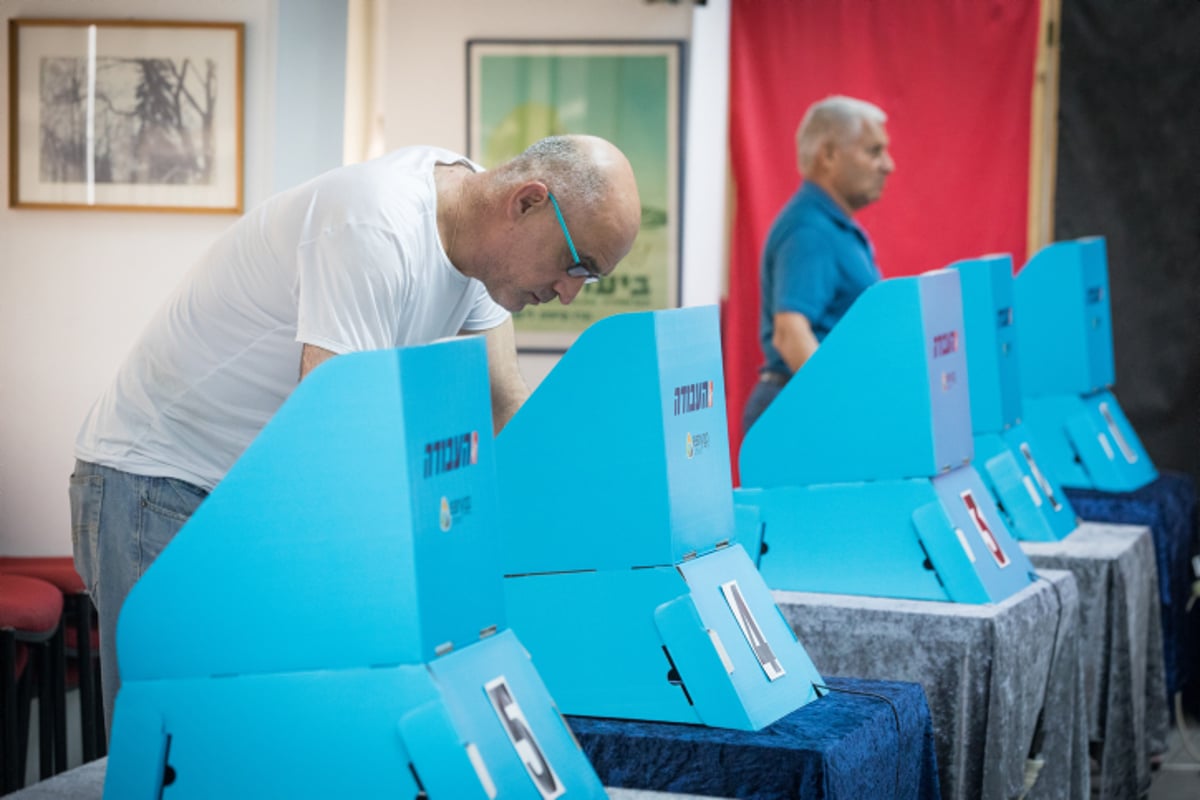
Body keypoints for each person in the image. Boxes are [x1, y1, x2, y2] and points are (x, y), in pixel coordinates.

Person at [68, 134, 642, 734]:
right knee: (175, 743)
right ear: (527, 202)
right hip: (162, 480)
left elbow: (503, 402)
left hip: (252, 494)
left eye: (590, 279)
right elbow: (332, 449)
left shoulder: (482, 240)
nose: (570, 291)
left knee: (254, 745)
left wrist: (589, 534)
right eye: (577, 265)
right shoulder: (374, 226)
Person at [742, 96, 895, 434]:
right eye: (873, 151)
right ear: (828, 155)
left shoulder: (830, 225)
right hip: (803, 415)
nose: (888, 165)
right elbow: (790, 333)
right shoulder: (810, 231)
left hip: (803, 407)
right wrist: (845, 411)